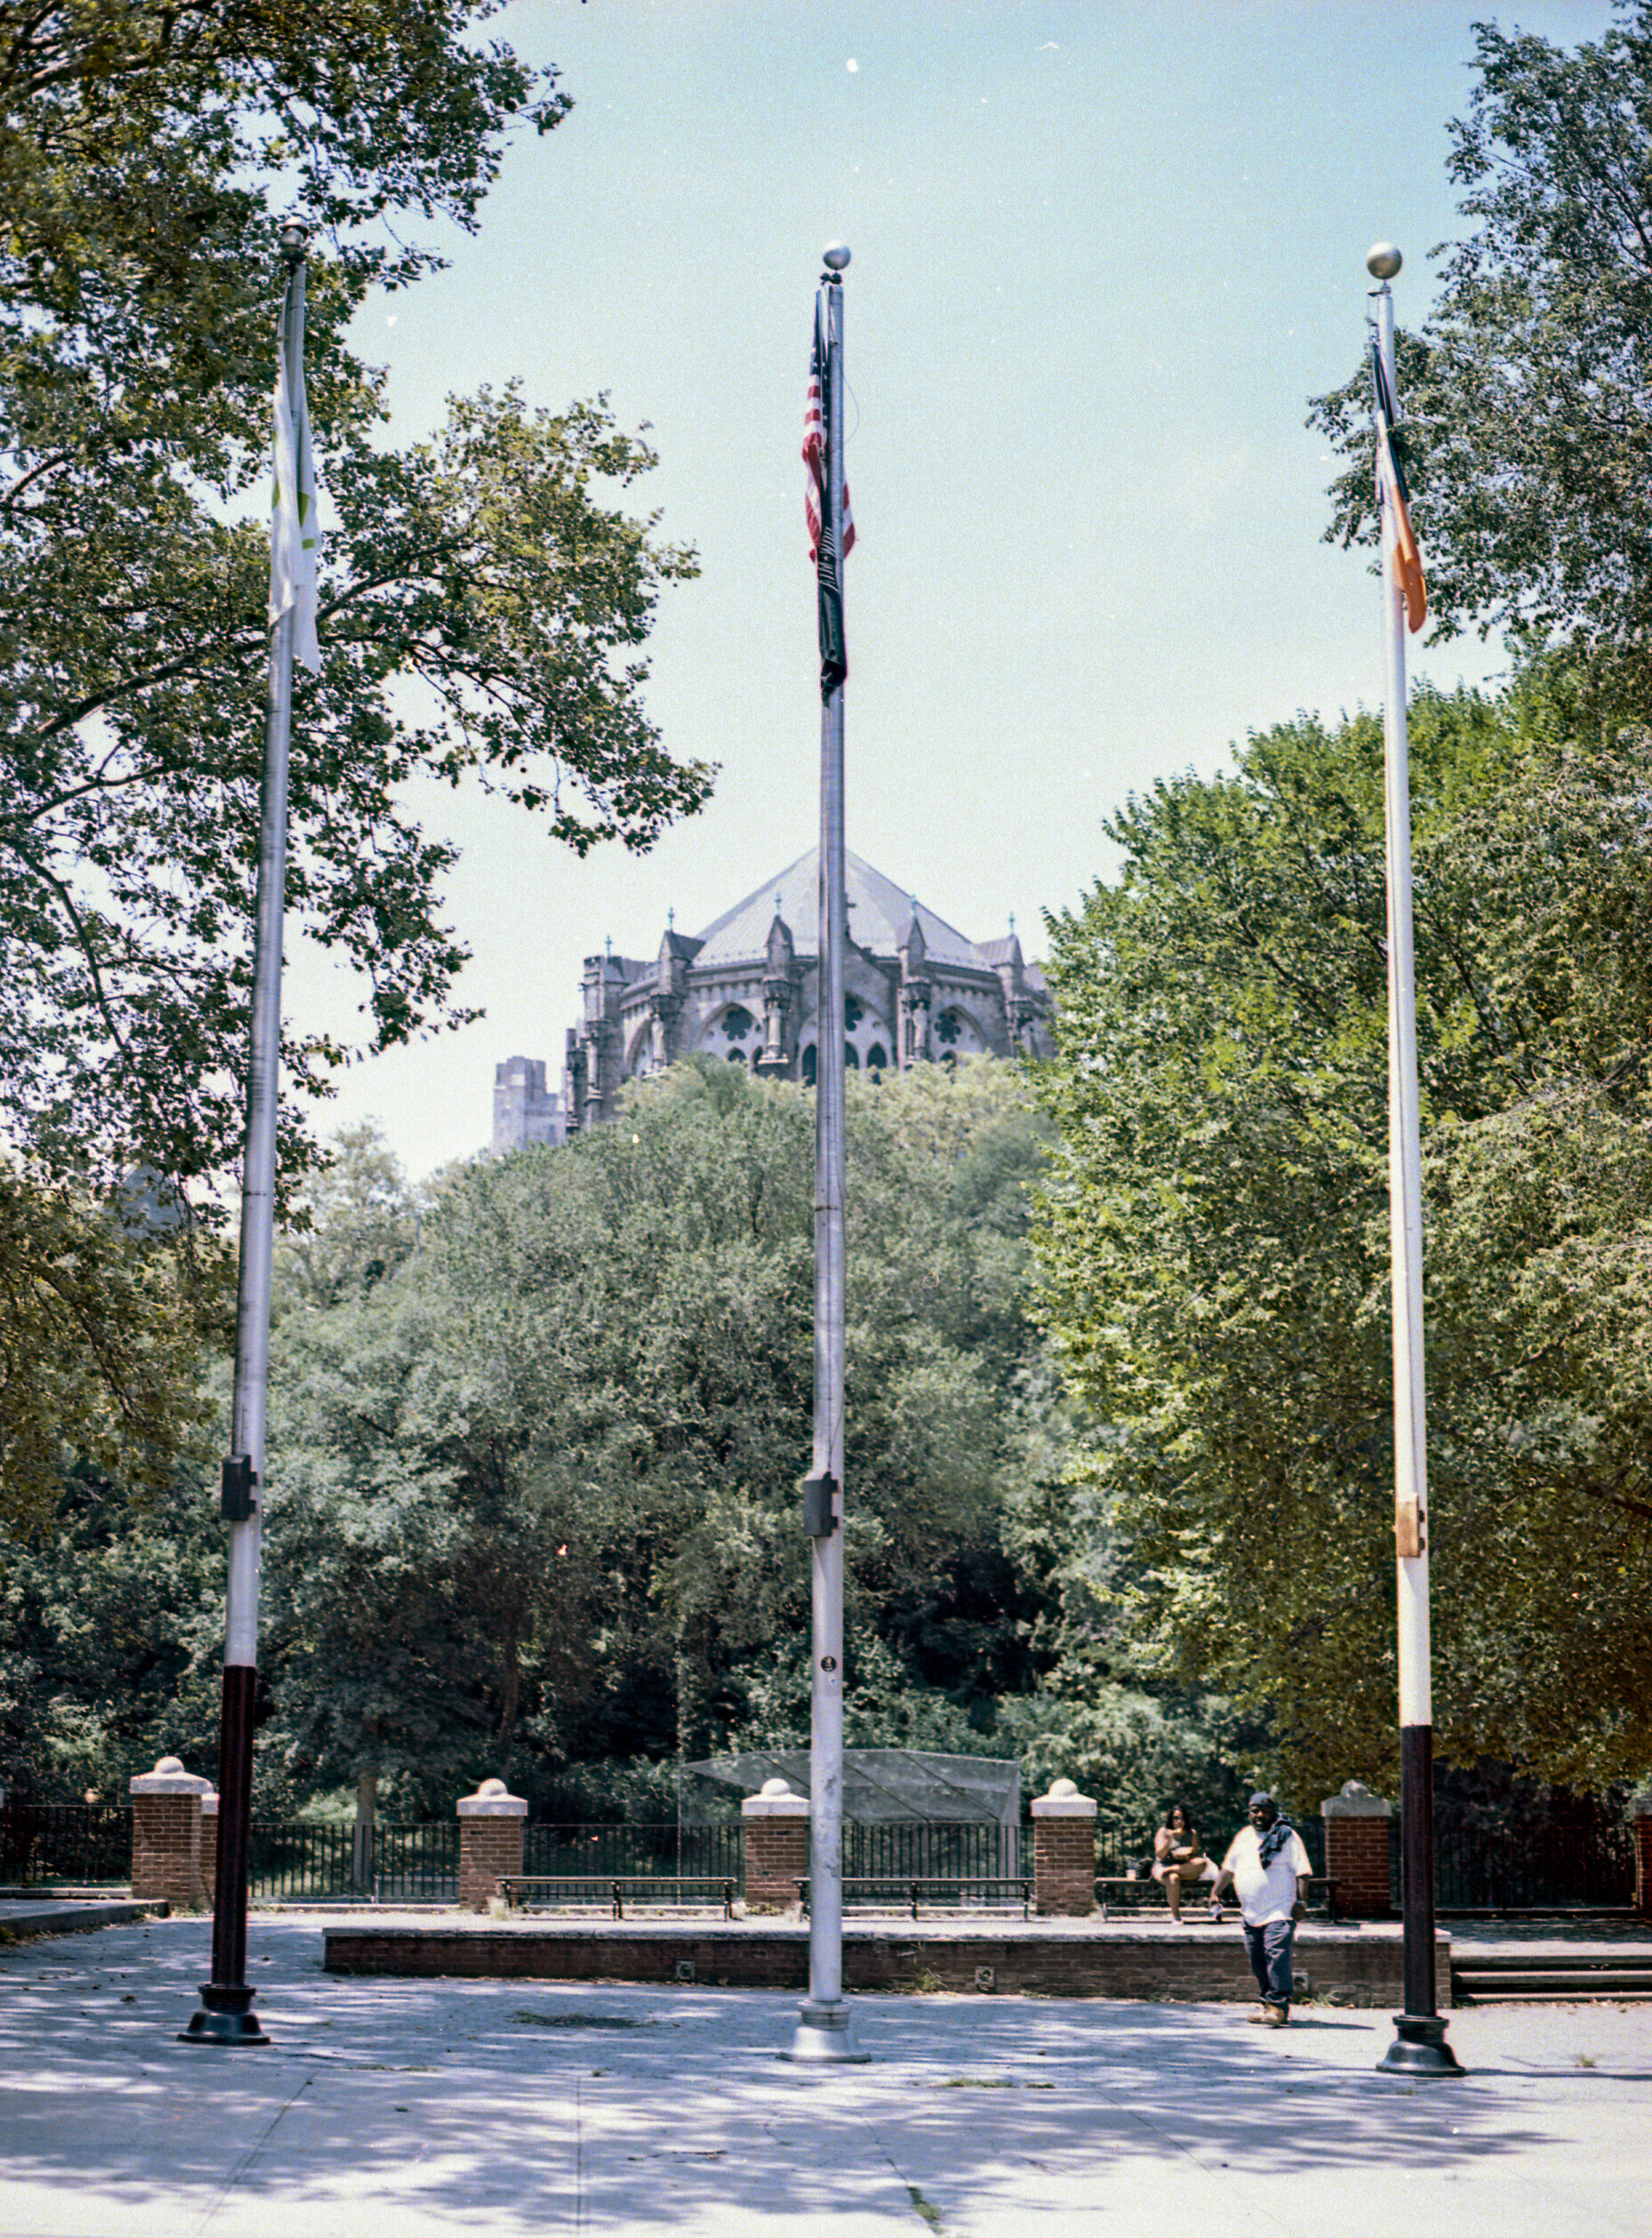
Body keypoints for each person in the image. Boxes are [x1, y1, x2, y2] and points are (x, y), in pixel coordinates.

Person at [1210, 1791, 1313, 2026]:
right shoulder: (1244, 1836)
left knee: (1276, 1956)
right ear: (1249, 1812)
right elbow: (1228, 1869)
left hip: (1280, 1911)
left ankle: (1278, 2006)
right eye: (1254, 1810)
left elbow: (1303, 1871)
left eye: (1264, 1810)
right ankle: (1268, 2004)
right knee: (1258, 1960)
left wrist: (1302, 1901)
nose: (1259, 1815)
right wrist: (1215, 1892)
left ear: (1273, 1812)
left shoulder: (1288, 1836)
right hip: (1251, 1913)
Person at [1149, 1802, 1217, 1922]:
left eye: (1182, 1818)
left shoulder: (1192, 1833)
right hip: (1163, 1867)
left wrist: (1187, 1857)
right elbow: (1160, 1855)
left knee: (1202, 1863)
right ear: (1171, 1819)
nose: (1179, 1821)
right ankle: (1176, 1916)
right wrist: (1169, 1839)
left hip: (1184, 1867)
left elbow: (1195, 1854)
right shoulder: (1163, 1832)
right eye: (1176, 1818)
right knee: (1173, 1877)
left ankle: (1173, 1869)